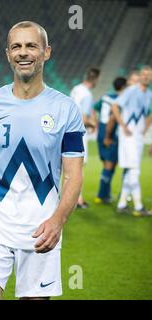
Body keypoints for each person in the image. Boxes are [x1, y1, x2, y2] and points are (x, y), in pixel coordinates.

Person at [0, 21, 84, 300]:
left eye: (31, 46)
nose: (23, 52)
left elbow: (73, 174)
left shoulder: (66, 109)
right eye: (17, 47)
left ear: (46, 52)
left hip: (41, 228)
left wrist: (58, 220)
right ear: (8, 54)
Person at [110, 65, 151, 217]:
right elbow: (114, 106)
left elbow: (149, 113)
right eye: (144, 74)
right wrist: (123, 126)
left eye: (149, 75)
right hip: (128, 137)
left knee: (130, 170)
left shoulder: (149, 94)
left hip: (138, 137)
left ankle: (121, 204)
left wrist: (146, 127)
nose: (146, 77)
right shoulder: (131, 91)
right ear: (140, 76)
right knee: (135, 170)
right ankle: (139, 206)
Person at [70, 67, 100, 209]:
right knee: (79, 167)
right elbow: (83, 119)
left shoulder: (76, 89)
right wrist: (93, 123)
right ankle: (77, 200)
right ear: (95, 79)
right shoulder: (87, 94)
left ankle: (73, 198)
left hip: (69, 131)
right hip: (80, 133)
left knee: (71, 167)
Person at [93, 77, 127, 204]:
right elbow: (113, 118)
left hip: (101, 132)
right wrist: (108, 136)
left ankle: (105, 194)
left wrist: (97, 123)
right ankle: (101, 195)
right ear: (124, 87)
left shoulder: (106, 97)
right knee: (109, 165)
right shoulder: (121, 100)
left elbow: (94, 108)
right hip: (110, 134)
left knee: (108, 165)